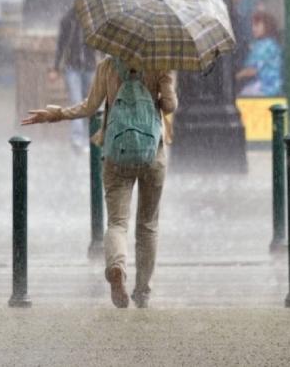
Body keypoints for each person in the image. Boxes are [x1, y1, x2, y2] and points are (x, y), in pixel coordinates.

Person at [21, 56, 177, 309]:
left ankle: (117, 266)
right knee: (147, 225)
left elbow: (90, 107)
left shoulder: (109, 65)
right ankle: (143, 293)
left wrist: (56, 114)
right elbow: (170, 105)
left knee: (117, 222)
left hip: (117, 153)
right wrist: (158, 96)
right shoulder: (160, 62)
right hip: (152, 154)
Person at [48, 7, 98, 153]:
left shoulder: (94, 21)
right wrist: (56, 68)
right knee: (76, 102)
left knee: (89, 103)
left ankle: (89, 138)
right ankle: (77, 139)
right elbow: (61, 46)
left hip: (89, 67)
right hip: (73, 68)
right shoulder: (68, 20)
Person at [236, 10, 283, 97]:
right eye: (252, 25)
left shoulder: (265, 46)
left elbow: (252, 70)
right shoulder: (269, 44)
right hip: (271, 88)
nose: (253, 29)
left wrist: (235, 77)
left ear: (267, 26)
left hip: (264, 89)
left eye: (257, 25)